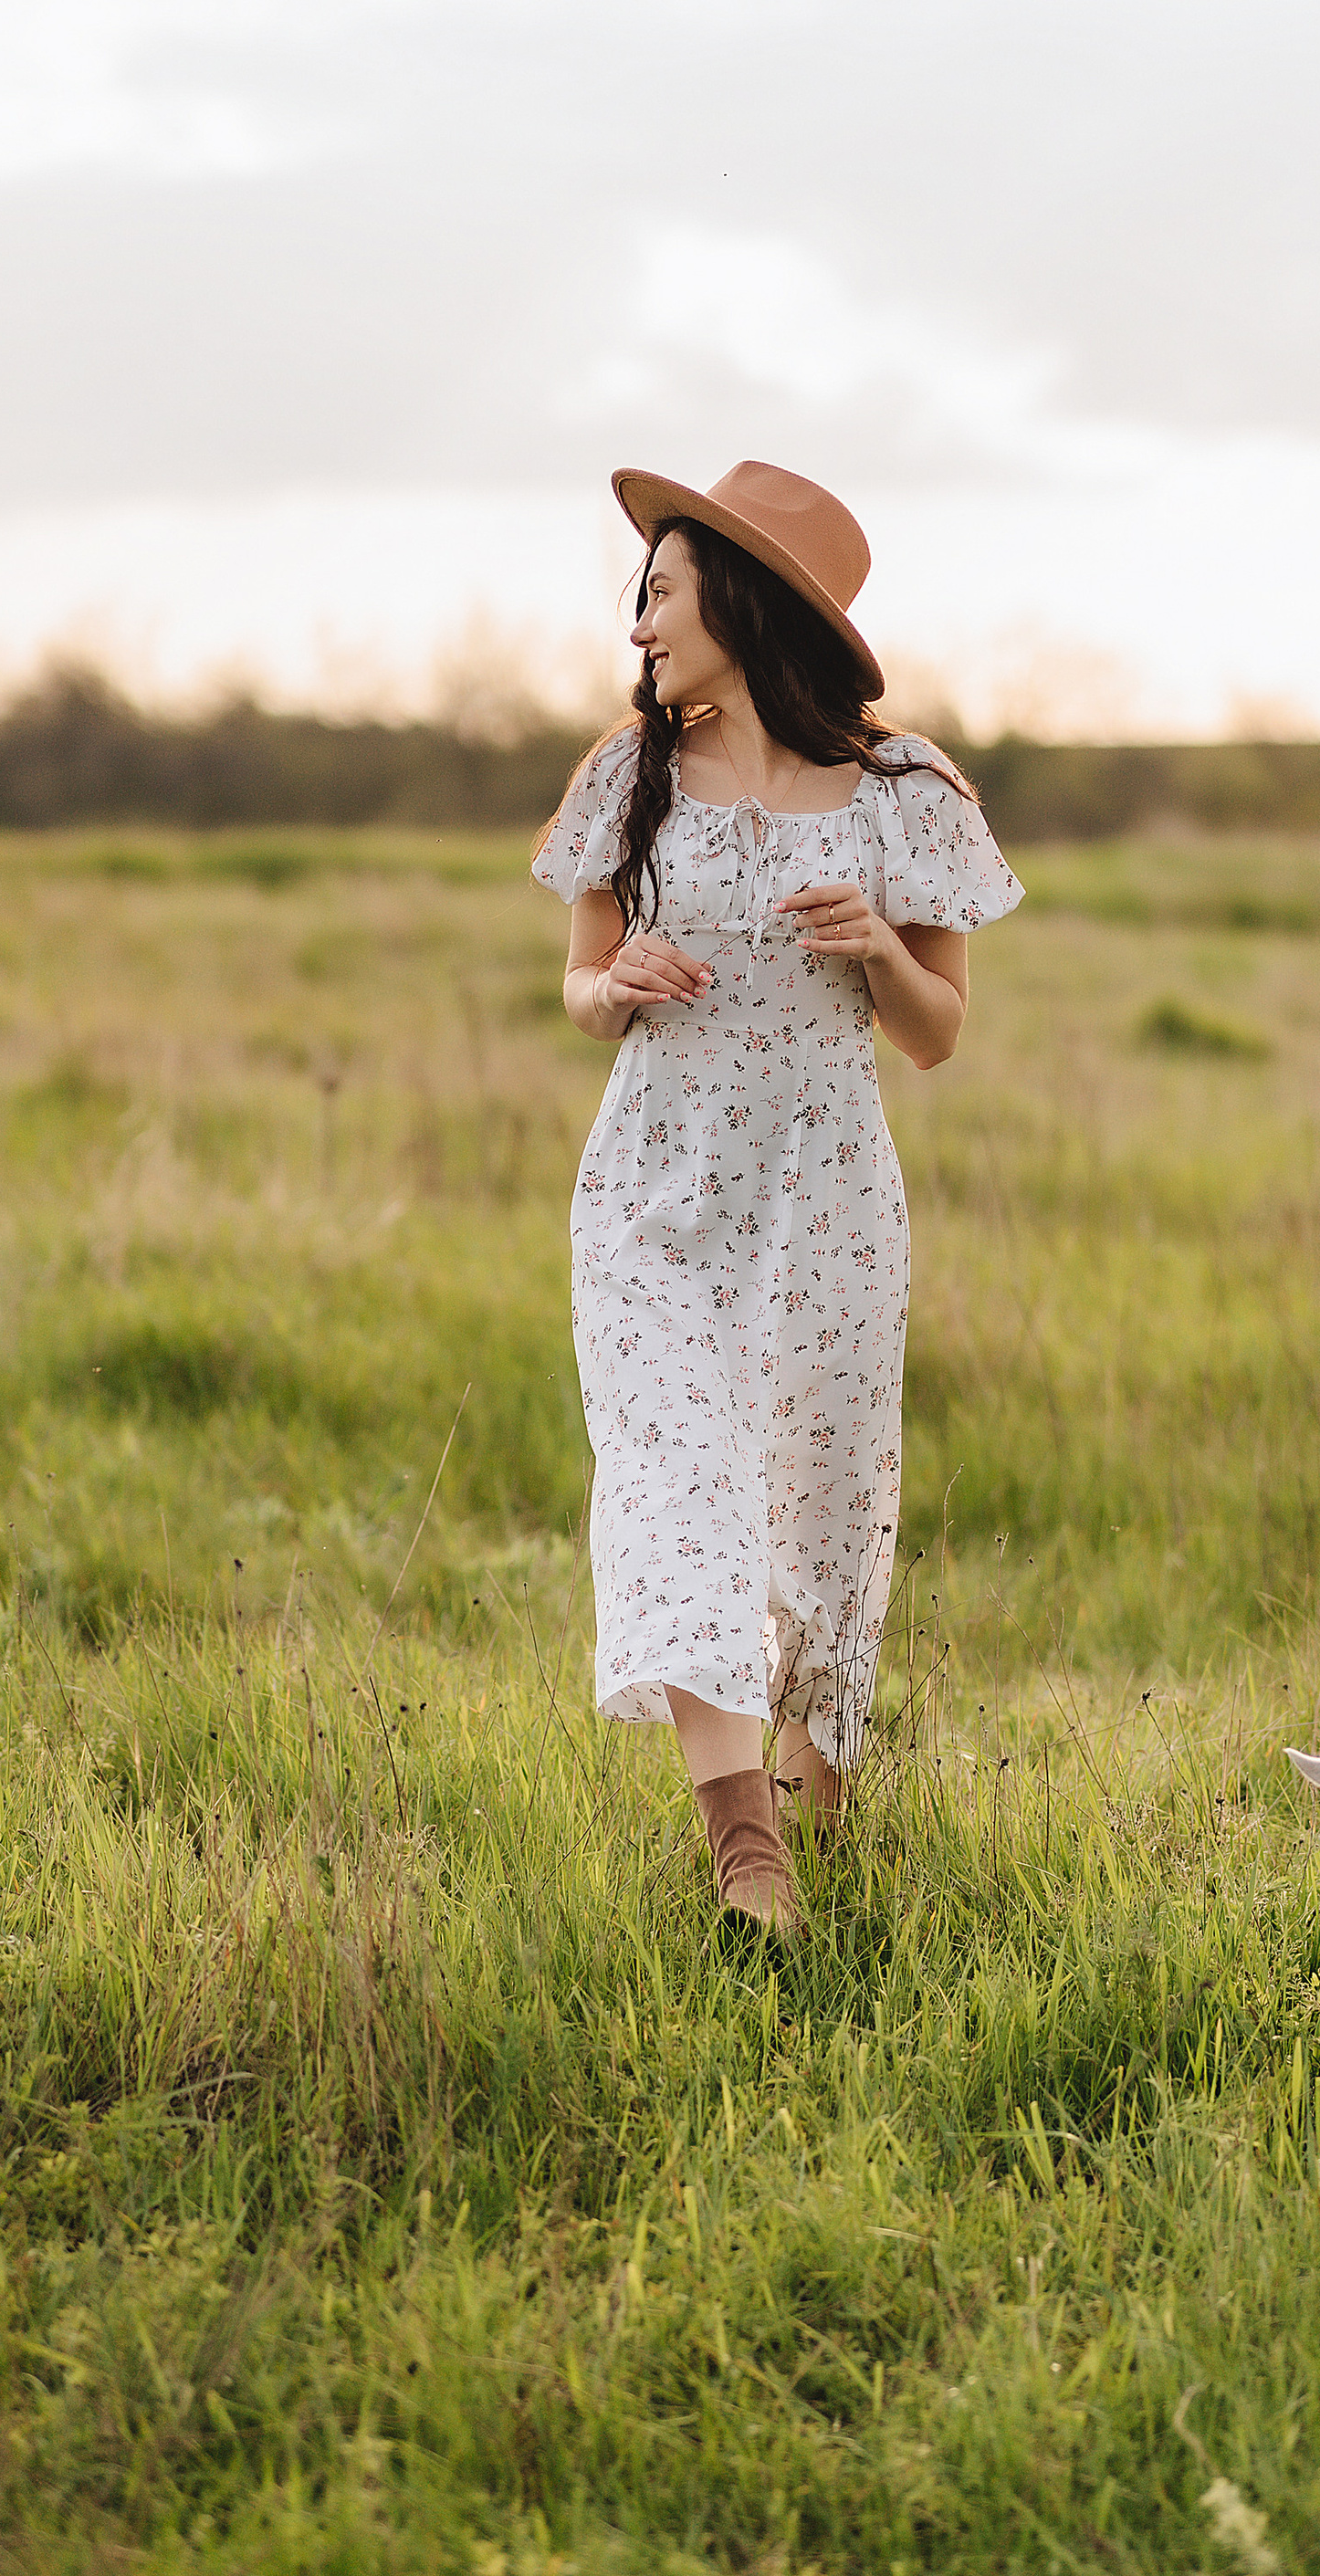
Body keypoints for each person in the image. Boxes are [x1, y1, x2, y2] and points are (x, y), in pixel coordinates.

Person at [531, 459, 1021, 1932]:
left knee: (815, 1523)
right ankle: (746, 1850)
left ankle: (817, 1794)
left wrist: (877, 945)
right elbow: (576, 980)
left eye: (661, 593)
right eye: (640, 597)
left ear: (743, 602)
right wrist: (610, 983)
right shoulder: (629, 779)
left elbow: (937, 1032)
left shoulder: (906, 790)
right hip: (654, 1193)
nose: (639, 625)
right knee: (673, 1485)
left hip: (825, 1202)